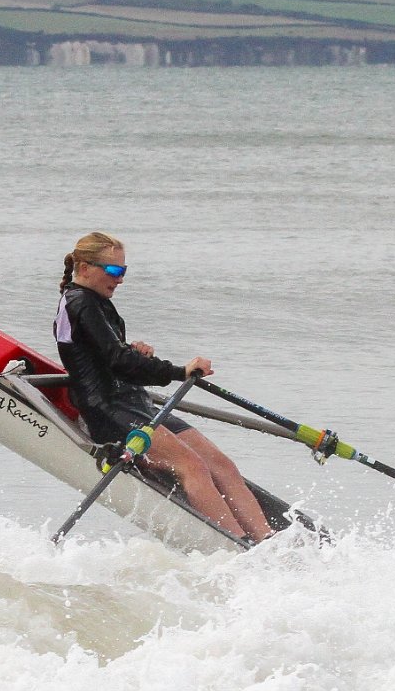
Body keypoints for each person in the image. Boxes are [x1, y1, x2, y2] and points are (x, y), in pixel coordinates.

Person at [54, 232, 274, 544]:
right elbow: (116, 361)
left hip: (133, 400)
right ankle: (239, 544)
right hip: (107, 411)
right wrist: (178, 371)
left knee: (221, 465)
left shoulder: (97, 303)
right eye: (113, 271)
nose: (119, 280)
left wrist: (132, 351)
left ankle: (267, 540)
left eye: (123, 271)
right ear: (85, 268)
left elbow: (105, 354)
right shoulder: (80, 303)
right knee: (192, 466)